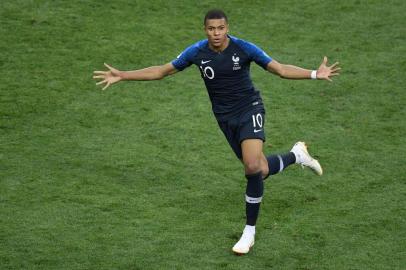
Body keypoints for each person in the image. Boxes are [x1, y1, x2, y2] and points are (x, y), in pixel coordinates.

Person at [93, 9, 340, 255]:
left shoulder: (244, 48)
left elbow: (280, 70)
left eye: (220, 28)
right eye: (211, 29)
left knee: (252, 167)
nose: (216, 33)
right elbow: (161, 71)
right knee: (261, 169)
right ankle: (297, 155)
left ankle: (249, 232)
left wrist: (314, 74)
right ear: (205, 30)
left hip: (249, 109)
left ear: (227, 28)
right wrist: (123, 75)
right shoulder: (197, 52)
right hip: (225, 120)